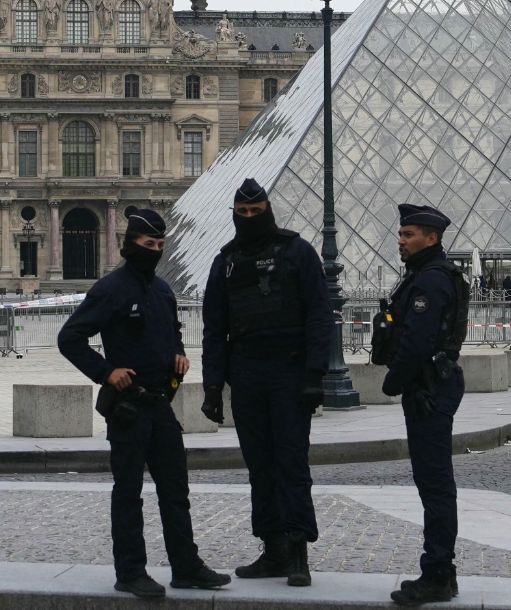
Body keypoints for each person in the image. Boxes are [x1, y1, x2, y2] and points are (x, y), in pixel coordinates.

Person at [57, 210, 230, 599]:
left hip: (160, 405)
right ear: (129, 245)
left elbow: (173, 332)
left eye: (159, 245)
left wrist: (179, 354)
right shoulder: (111, 288)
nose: (153, 250)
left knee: (175, 489)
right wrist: (105, 372)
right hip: (129, 407)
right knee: (128, 491)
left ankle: (186, 566)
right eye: (147, 244)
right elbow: (70, 338)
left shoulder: (164, 290)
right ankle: (130, 571)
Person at [199, 178, 333, 587]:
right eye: (244, 213)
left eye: (257, 213)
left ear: (269, 210)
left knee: (291, 462)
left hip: (289, 373)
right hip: (247, 373)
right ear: (235, 215)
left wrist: (314, 376)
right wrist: (212, 387)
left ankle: (297, 552)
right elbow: (214, 328)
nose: (251, 218)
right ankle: (272, 549)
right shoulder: (224, 262)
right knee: (259, 465)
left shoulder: (298, 252)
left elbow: (319, 316)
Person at [377, 205, 468, 605]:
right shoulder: (428, 275)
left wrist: (391, 382)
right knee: (433, 483)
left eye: (409, 234)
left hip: (428, 388)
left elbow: (416, 341)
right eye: (401, 234)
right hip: (432, 385)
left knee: (434, 485)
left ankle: (437, 573)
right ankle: (442, 573)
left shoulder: (430, 281)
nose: (401, 240)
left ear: (431, 239)